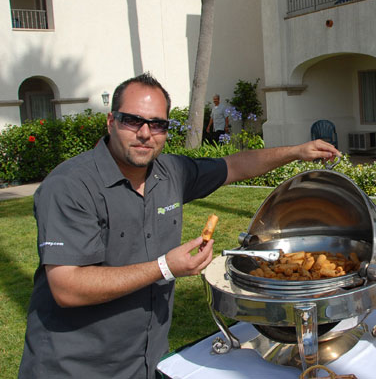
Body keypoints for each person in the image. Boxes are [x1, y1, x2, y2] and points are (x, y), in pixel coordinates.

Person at [18, 73, 340, 379]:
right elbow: (67, 287)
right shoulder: (70, 186)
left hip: (147, 360)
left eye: (157, 124)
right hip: (75, 367)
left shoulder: (169, 172)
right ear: (111, 121)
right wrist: (164, 267)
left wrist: (298, 152)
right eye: (133, 120)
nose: (145, 133)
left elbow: (233, 165)